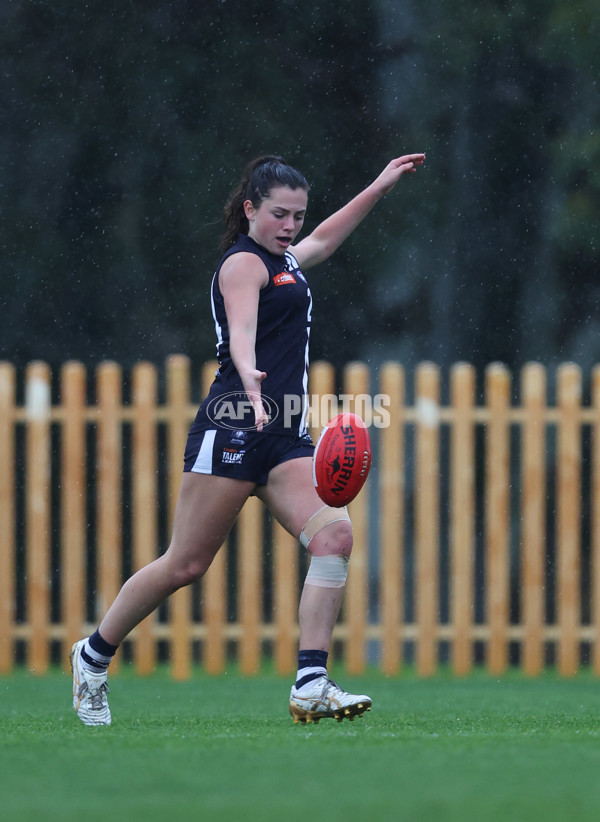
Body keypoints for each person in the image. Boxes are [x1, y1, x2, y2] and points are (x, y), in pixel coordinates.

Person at [70, 150, 425, 726]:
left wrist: (379, 186)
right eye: (280, 214)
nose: (291, 226)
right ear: (250, 209)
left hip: (284, 435)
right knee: (184, 564)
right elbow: (240, 332)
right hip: (235, 423)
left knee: (333, 537)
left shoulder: (288, 261)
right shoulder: (243, 264)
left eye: (298, 216)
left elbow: (326, 241)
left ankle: (311, 681)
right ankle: (92, 655)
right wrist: (253, 383)